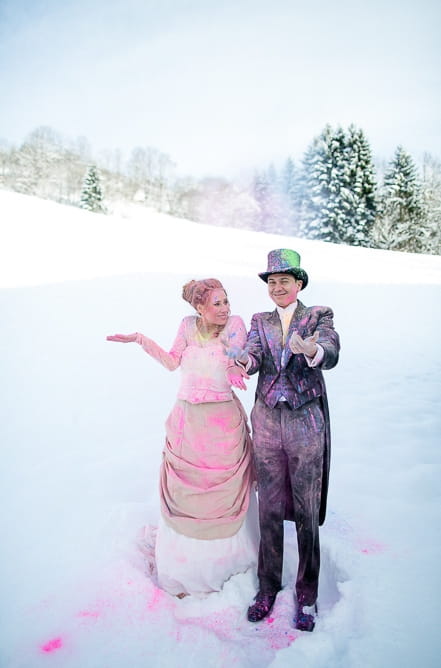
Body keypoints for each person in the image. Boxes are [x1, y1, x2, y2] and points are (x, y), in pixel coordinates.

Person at [107, 278, 258, 598]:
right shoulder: (187, 326)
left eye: (226, 301)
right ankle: (182, 568)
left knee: (220, 497)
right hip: (187, 422)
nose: (225, 308)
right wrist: (140, 340)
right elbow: (171, 361)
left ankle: (225, 567)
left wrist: (234, 363)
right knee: (186, 493)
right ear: (199, 308)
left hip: (221, 423)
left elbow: (237, 349)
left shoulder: (235, 324)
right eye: (216, 303)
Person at [234, 249, 340, 631]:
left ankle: (307, 594)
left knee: (307, 510)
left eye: (285, 280)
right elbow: (254, 353)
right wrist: (243, 362)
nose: (278, 287)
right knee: (270, 508)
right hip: (265, 421)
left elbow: (331, 350)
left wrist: (312, 349)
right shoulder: (259, 320)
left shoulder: (317, 316)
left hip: (305, 422)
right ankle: (267, 587)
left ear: (299, 284)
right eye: (272, 281)